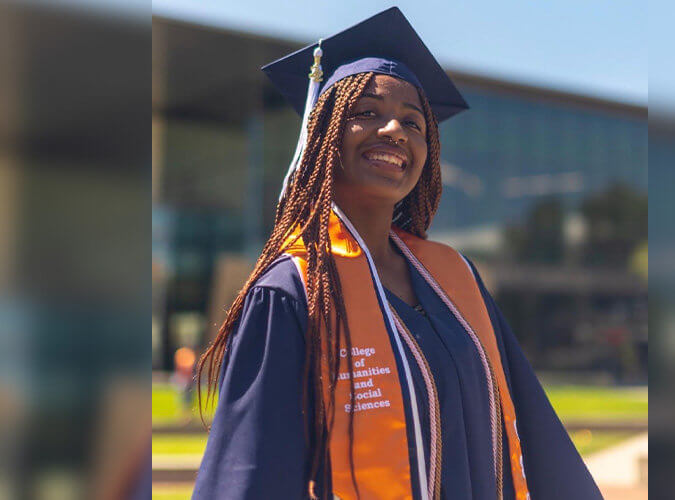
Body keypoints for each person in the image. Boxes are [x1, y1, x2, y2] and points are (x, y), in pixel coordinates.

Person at [193, 7, 601, 500]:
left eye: (414, 123)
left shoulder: (455, 278)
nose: (395, 131)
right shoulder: (291, 289)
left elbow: (536, 434)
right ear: (321, 135)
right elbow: (253, 474)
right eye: (366, 112)